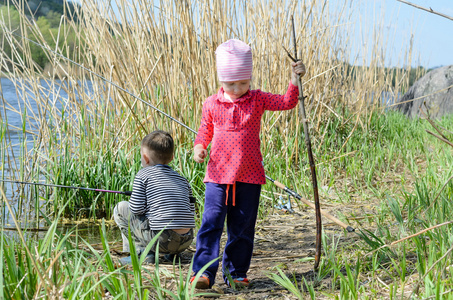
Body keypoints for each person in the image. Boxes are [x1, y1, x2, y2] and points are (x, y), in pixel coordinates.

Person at [190, 39, 306, 289]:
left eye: (243, 82)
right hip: (217, 177)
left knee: (242, 228)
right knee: (211, 224)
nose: (237, 88)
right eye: (231, 83)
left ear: (249, 79)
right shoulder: (211, 103)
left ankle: (236, 273)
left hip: (249, 177)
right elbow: (204, 132)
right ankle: (203, 273)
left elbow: (287, 102)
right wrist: (199, 147)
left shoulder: (258, 99)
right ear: (221, 80)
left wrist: (295, 80)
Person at [113, 130, 195, 265]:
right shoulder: (182, 179)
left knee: (120, 208)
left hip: (161, 241)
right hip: (185, 241)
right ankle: (173, 255)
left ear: (145, 158)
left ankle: (141, 253)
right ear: (172, 157)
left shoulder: (143, 175)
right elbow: (190, 211)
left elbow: (136, 209)